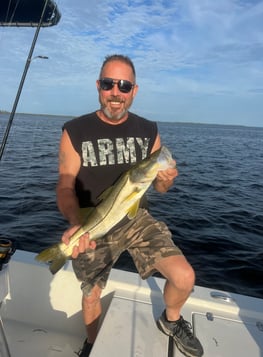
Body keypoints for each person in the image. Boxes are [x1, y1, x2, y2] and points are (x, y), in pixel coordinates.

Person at [56, 54, 203, 357]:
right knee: (91, 295)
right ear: (99, 86)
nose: (116, 93)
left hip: (135, 218)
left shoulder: (149, 130)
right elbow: (65, 185)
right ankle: (93, 344)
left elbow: (160, 187)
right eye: (109, 84)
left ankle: (171, 321)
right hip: (92, 220)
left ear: (134, 91)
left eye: (124, 86)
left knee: (185, 277)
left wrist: (165, 178)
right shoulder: (75, 131)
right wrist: (74, 224)